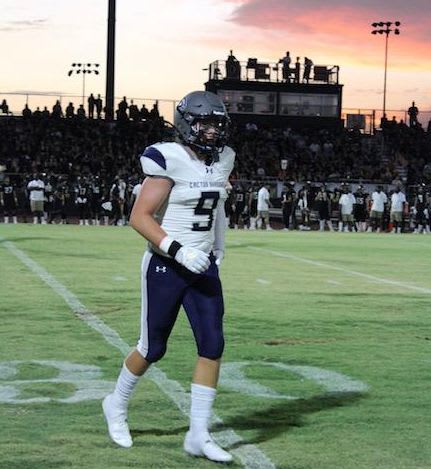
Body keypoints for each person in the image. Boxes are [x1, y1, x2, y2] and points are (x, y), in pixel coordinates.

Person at [102, 90, 235, 463]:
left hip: (203, 264)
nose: (211, 132)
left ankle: (198, 434)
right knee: (152, 348)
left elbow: (217, 206)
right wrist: (178, 250)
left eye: (216, 124)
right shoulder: (167, 157)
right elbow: (139, 216)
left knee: (213, 343)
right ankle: (116, 404)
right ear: (187, 124)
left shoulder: (225, 158)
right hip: (166, 265)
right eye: (204, 124)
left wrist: (219, 243)